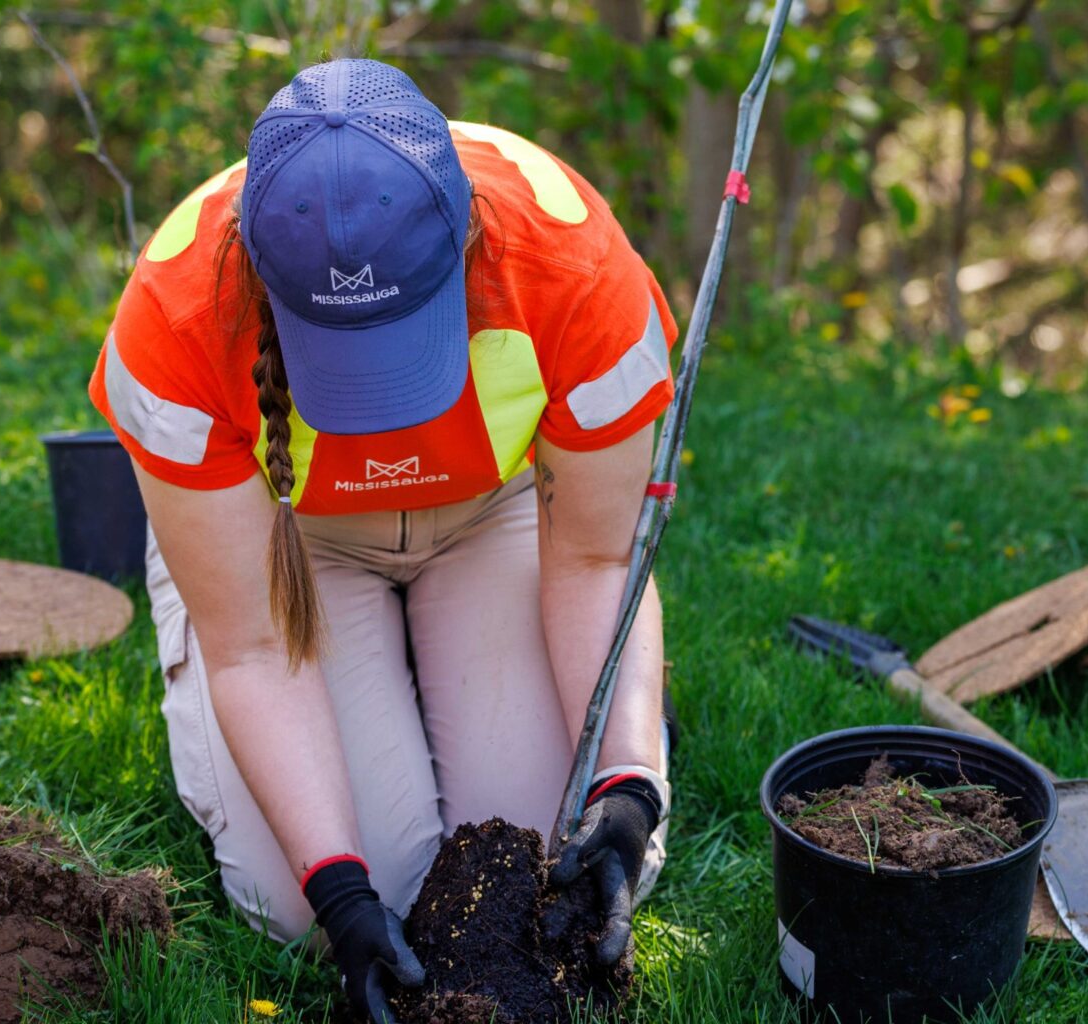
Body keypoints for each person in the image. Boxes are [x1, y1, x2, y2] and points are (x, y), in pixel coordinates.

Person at [87, 59, 675, 1022]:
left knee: (540, 870)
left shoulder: (572, 271)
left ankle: (598, 727)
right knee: (315, 909)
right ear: (262, 280)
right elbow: (252, 644)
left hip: (495, 518)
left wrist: (626, 791)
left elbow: (596, 558)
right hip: (289, 543)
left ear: (468, 237)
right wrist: (338, 889)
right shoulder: (178, 314)